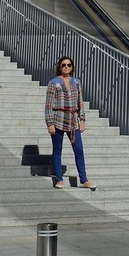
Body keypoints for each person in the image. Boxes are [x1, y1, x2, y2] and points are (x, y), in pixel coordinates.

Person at [44, 56, 95, 190]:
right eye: (63, 65)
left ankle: (84, 180)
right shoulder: (53, 83)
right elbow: (49, 105)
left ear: (72, 67)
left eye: (69, 65)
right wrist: (50, 123)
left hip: (73, 121)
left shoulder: (76, 82)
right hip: (58, 119)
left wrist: (82, 120)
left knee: (79, 150)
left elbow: (80, 102)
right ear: (59, 67)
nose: (66, 67)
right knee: (57, 150)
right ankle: (59, 179)